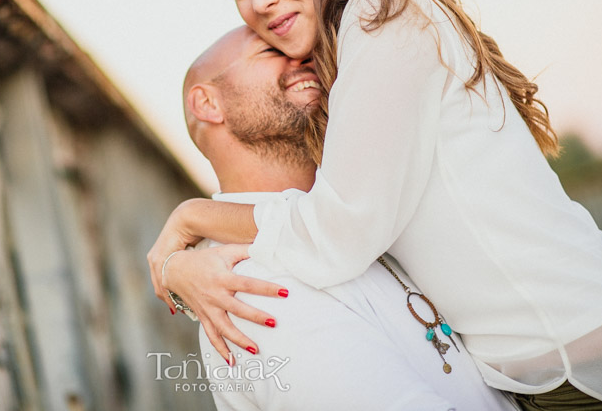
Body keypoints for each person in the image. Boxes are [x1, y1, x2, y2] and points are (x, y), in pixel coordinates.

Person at [148, 0, 602, 409]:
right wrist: (182, 269)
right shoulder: (349, 56)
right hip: (540, 364)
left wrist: (192, 220)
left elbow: (336, 233)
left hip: (579, 357)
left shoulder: (384, 18)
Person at [172, 24, 515, 410]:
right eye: (270, 51)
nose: (301, 54)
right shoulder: (249, 288)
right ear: (207, 104)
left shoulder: (356, 213)